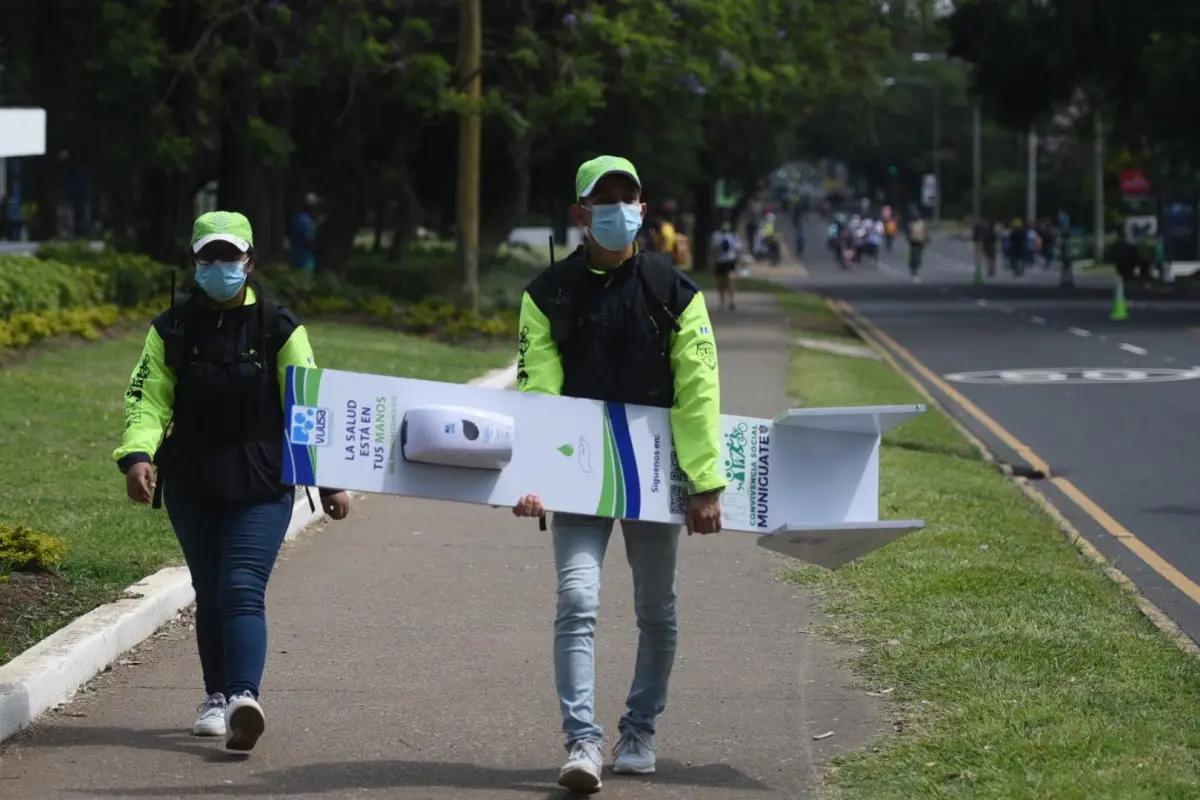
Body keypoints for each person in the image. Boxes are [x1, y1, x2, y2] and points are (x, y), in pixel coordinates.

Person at [512, 155, 725, 793]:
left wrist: (706, 481)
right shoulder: (547, 294)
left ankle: (640, 729)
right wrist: (534, 473)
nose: (617, 210)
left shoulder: (674, 291)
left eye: (626, 198)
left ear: (642, 205)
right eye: (603, 201)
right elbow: (537, 394)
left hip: (656, 479)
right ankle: (582, 743)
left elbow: (698, 389)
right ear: (580, 215)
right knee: (577, 600)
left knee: (656, 609)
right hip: (578, 476)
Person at [113, 211, 351, 752]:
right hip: (193, 481)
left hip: (262, 479)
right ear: (195, 261)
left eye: (230, 257)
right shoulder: (170, 328)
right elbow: (147, 400)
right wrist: (137, 455)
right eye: (209, 257)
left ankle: (244, 697)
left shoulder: (279, 327)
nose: (220, 266)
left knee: (242, 585)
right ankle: (215, 698)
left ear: (250, 261)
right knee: (211, 590)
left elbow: (306, 406)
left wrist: (330, 479)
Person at [710, 220, 743, 310]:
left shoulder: (733, 235)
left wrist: (739, 261)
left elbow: (738, 249)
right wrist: (712, 262)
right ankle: (722, 301)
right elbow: (713, 249)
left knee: (730, 279)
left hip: (730, 260)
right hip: (720, 261)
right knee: (721, 282)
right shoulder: (716, 236)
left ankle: (732, 300)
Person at [290, 193, 320, 271]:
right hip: (304, 259)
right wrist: (318, 250)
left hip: (296, 258)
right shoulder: (306, 221)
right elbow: (308, 241)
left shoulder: (298, 217)